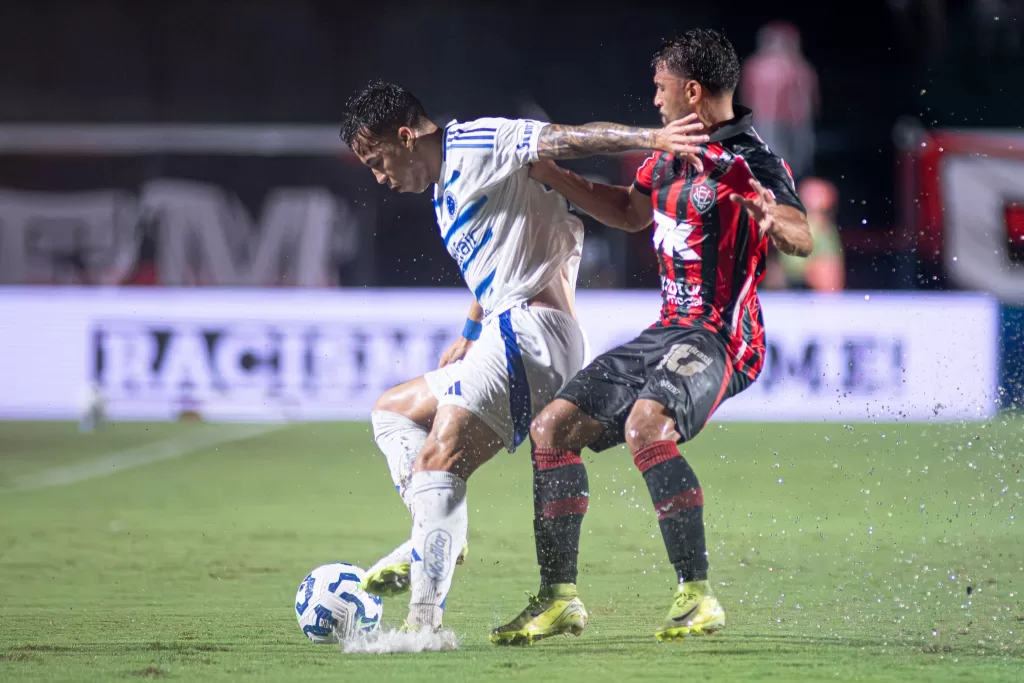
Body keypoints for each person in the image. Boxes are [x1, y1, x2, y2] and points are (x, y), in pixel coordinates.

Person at [338, 81, 709, 632]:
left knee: (438, 460)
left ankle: (422, 624)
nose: (380, 177)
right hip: (504, 328)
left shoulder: (478, 142)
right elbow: (498, 250)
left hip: (532, 329)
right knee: (392, 411)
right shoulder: (445, 186)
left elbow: (569, 139)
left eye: (378, 160)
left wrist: (653, 137)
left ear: (406, 135)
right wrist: (471, 326)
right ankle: (436, 533)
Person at [489, 28, 814, 646]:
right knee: (551, 428)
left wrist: (776, 220)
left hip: (721, 336)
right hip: (664, 332)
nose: (656, 100)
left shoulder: (750, 158)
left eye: (662, 89)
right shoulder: (664, 156)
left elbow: (801, 233)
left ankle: (698, 594)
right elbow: (632, 211)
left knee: (645, 425)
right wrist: (553, 176)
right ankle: (559, 600)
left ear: (693, 92)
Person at [739, 21, 819, 179]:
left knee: (786, 167)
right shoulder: (799, 68)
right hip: (770, 124)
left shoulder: (800, 68)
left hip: (790, 125)